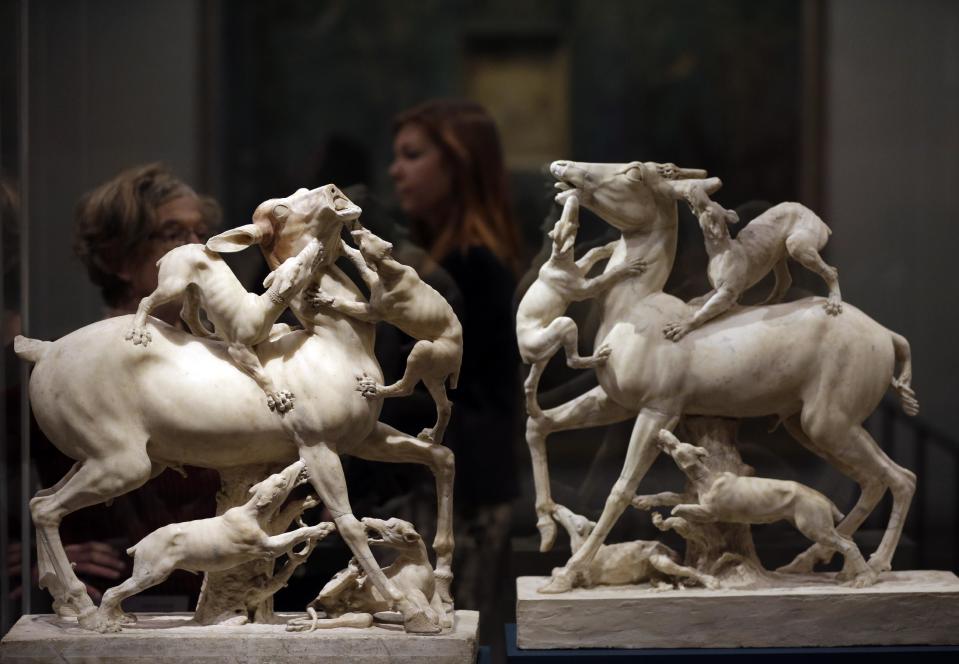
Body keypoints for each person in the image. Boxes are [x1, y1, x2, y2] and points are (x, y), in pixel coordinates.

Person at [27, 163, 221, 609]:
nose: (197, 251)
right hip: (105, 599)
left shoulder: (219, 361)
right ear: (117, 258)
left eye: (202, 234)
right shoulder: (66, 371)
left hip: (210, 601)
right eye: (173, 235)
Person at [388, 99, 523, 637]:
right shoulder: (434, 258)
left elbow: (481, 396)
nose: (397, 170)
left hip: (457, 490)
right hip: (437, 477)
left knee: (447, 634)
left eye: (412, 155)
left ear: (457, 164)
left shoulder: (476, 265)